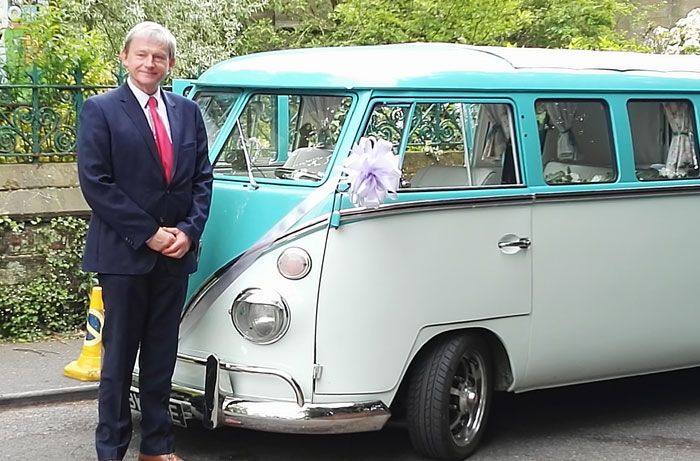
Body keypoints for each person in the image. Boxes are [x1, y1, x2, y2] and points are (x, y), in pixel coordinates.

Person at [77, 21, 213, 461]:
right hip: (124, 254)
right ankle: (111, 451)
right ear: (125, 58)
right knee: (117, 362)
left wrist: (188, 232)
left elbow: (201, 180)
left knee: (161, 358)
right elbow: (97, 184)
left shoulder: (187, 112)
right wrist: (150, 233)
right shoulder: (100, 110)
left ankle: (156, 447)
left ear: (170, 64)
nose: (150, 63)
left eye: (159, 57)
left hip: (175, 255)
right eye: (142, 55)